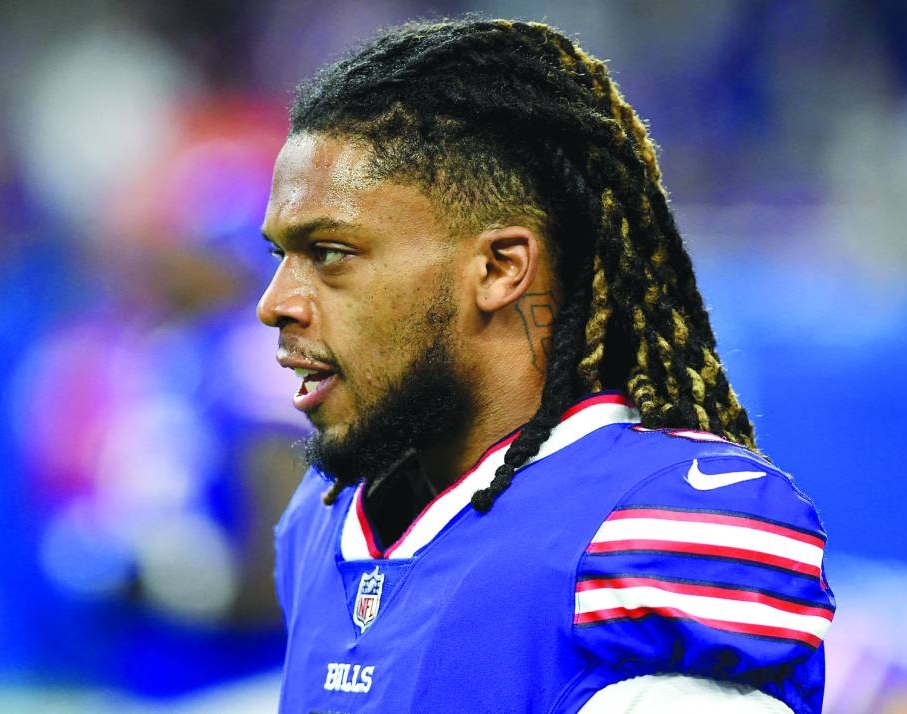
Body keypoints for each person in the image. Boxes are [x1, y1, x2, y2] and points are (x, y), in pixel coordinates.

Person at [257, 18, 835, 714]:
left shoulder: (649, 529)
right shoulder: (322, 522)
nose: (276, 303)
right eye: (279, 256)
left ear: (499, 268)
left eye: (330, 252)